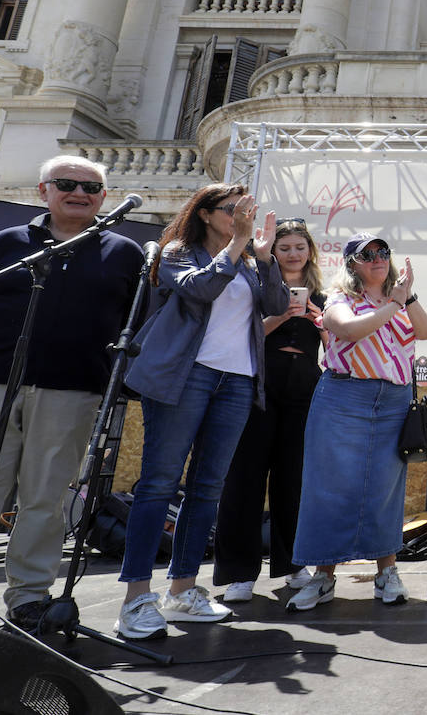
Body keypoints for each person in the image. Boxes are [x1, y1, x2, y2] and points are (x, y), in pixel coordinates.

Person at [0, 156, 142, 629]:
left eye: (92, 187)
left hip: (72, 389)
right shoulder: (8, 243)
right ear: (43, 190)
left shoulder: (124, 252)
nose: (79, 193)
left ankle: (28, 600)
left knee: (46, 496)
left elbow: (131, 320)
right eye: (66, 184)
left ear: (103, 198)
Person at [115, 184, 288, 639]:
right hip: (185, 376)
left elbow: (276, 305)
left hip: (237, 380)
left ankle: (184, 590)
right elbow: (203, 288)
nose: (241, 217)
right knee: (158, 483)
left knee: (208, 487)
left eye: (245, 211)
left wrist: (265, 257)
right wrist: (237, 244)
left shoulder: (250, 262)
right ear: (207, 214)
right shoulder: (178, 252)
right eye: (233, 211)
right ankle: (135, 598)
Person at [287, 234, 427, 612]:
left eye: (382, 252)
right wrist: (394, 304)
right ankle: (323, 576)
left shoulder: (401, 299)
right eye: (367, 255)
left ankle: (387, 571)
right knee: (331, 487)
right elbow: (349, 330)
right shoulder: (340, 300)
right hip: (344, 396)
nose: (377, 259)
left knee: (384, 488)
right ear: (352, 263)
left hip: (393, 400)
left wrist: (406, 297)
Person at [213, 218, 327, 602]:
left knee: (293, 479)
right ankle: (239, 574)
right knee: (244, 479)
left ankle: (293, 564)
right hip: (258, 387)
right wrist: (284, 314)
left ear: (309, 250)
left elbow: (338, 347)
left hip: (305, 389)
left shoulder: (325, 296)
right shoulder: (255, 288)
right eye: (285, 248)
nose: (293, 254)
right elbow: (245, 335)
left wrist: (318, 318)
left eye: (299, 246)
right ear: (271, 252)